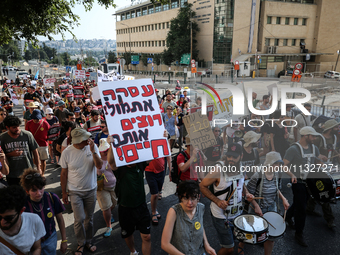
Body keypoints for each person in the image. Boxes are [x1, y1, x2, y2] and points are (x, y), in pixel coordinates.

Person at [199, 143, 254, 255]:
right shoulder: (218, 169)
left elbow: (241, 183)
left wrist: (247, 193)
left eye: (234, 157)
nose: (231, 159)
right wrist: (218, 201)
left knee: (236, 239)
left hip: (237, 212)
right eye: (229, 156)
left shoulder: (242, 168)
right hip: (221, 216)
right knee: (229, 248)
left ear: (241, 156)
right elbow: (202, 186)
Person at [107, 136, 152, 255]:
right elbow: (111, 161)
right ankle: (133, 252)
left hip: (141, 206)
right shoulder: (120, 169)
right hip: (125, 208)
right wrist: (111, 145)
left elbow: (154, 152)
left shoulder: (140, 165)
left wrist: (162, 138)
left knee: (147, 237)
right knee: (128, 234)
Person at [60, 127, 102, 255]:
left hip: (91, 189)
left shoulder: (92, 147)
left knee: (89, 218)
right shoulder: (67, 152)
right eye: (85, 139)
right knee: (79, 219)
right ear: (77, 141)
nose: (88, 140)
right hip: (75, 191)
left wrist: (93, 151)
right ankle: (80, 243)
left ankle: (88, 241)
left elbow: (99, 165)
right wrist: (64, 192)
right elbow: (63, 173)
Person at [284, 126, 328, 247]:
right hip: (297, 181)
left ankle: (287, 216)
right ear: (305, 136)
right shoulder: (293, 149)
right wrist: (291, 174)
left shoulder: (314, 148)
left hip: (310, 181)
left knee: (300, 202)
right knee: (302, 208)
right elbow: (284, 165)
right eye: (312, 136)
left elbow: (317, 161)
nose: (314, 138)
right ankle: (299, 234)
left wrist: (321, 163)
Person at [247, 151, 290, 255]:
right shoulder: (258, 175)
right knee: (251, 233)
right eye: (277, 163)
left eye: (280, 164)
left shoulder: (278, 174)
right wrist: (256, 206)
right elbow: (248, 194)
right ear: (270, 163)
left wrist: (284, 198)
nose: (279, 166)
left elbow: (277, 189)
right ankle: (241, 246)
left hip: (271, 208)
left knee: (271, 237)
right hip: (257, 209)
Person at [161, 180, 216, 255]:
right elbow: (165, 244)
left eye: (193, 198)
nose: (190, 203)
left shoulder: (201, 208)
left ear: (198, 197)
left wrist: (207, 245)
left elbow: (200, 226)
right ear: (180, 197)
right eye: (186, 198)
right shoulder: (174, 212)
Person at [20, 168, 67, 254]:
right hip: (32, 243)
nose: (39, 193)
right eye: (34, 190)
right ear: (27, 191)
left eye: (40, 188)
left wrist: (64, 240)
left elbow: (60, 219)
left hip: (50, 239)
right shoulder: (23, 204)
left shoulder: (52, 198)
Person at [306, 119, 339, 228]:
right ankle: (330, 220)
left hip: (330, 167)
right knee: (325, 191)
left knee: (317, 189)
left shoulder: (335, 137)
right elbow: (312, 152)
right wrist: (319, 159)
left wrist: (337, 155)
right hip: (318, 168)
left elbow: (334, 150)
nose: (338, 129)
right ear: (330, 129)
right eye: (336, 127)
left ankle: (310, 208)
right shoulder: (319, 139)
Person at [0, 185, 46, 254]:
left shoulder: (34, 221)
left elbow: (36, 248)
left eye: (8, 218)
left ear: (21, 211)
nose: (2, 222)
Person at [0, 116, 40, 186]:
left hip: (28, 173)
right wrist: (11, 154)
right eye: (14, 127)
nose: (17, 129)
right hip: (12, 174)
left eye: (18, 126)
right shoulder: (3, 138)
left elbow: (35, 152)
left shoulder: (27, 135)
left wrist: (38, 168)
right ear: (7, 127)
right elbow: (2, 156)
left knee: (29, 195)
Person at [96, 138, 117, 238]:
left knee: (114, 203)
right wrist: (100, 169)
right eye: (102, 151)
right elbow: (96, 172)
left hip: (113, 186)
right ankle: (109, 226)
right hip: (102, 188)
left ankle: (109, 214)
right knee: (106, 207)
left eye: (106, 150)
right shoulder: (97, 160)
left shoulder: (113, 158)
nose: (104, 153)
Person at [25, 109, 50, 176]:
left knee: (43, 160)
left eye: (37, 118)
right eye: (35, 118)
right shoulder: (29, 123)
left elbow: (49, 132)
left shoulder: (45, 123)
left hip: (43, 144)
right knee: (34, 160)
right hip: (33, 145)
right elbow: (26, 133)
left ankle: (42, 174)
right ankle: (39, 168)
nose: (36, 119)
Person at [145, 157, 167, 226]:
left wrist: (170, 165)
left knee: (158, 191)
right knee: (155, 194)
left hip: (161, 170)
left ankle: (154, 207)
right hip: (150, 171)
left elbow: (168, 154)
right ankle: (154, 212)